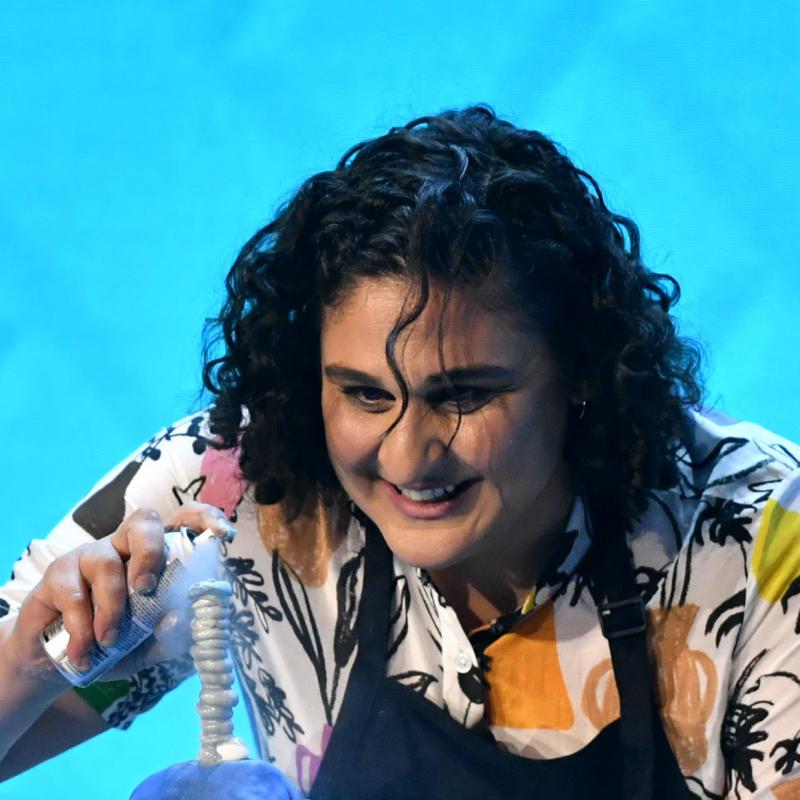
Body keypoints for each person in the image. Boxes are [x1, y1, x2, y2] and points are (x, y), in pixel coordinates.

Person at [1, 105, 799, 799]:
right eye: (365, 395)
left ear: (580, 370)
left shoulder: (764, 529)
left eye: (464, 396)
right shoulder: (234, 484)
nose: (411, 458)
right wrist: (31, 668)